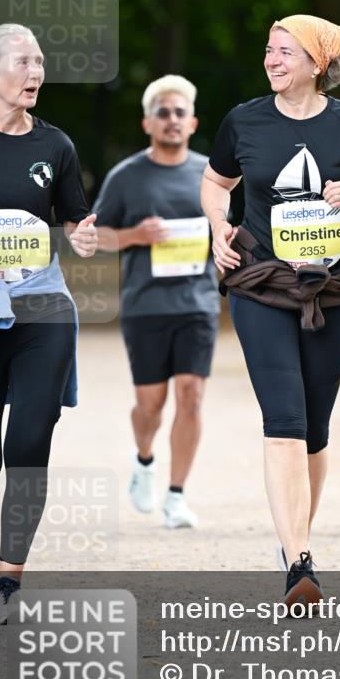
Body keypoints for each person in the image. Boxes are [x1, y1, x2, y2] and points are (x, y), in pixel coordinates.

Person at [201, 14, 340, 609]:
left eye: (286, 52)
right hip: (260, 285)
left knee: (314, 429)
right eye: (269, 50)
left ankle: (296, 539)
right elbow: (215, 181)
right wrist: (218, 225)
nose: (272, 60)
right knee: (284, 420)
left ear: (319, 64)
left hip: (331, 290)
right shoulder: (244, 120)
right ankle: (299, 563)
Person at [0, 23, 97, 622]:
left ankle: (8, 584)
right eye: (23, 61)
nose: (36, 71)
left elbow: (74, 220)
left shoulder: (56, 145)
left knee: (26, 446)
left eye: (40, 61)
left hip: (43, 311)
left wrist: (85, 236)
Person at [93, 76, 219, 529]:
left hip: (198, 303)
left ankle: (177, 496)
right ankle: (144, 458)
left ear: (193, 123)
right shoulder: (126, 176)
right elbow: (93, 237)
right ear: (147, 123)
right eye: (162, 113)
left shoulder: (212, 175)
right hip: (145, 306)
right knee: (150, 405)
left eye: (180, 112)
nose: (172, 120)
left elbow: (229, 230)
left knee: (192, 395)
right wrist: (135, 235)